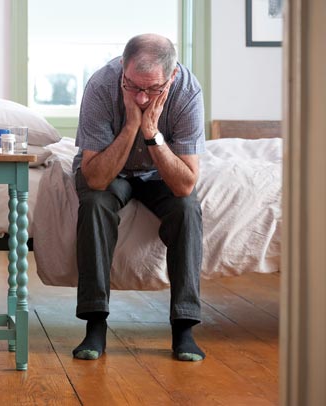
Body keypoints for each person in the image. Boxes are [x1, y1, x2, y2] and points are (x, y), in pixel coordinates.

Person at [71, 33, 206, 362]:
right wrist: (132, 124)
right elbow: (96, 177)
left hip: (162, 173)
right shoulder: (102, 86)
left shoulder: (188, 91)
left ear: (172, 76)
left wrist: (151, 133)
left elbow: (185, 184)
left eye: (153, 89)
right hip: (109, 170)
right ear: (122, 68)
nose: (143, 98)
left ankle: (183, 327)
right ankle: (95, 324)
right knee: (94, 204)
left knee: (188, 209)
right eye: (133, 86)